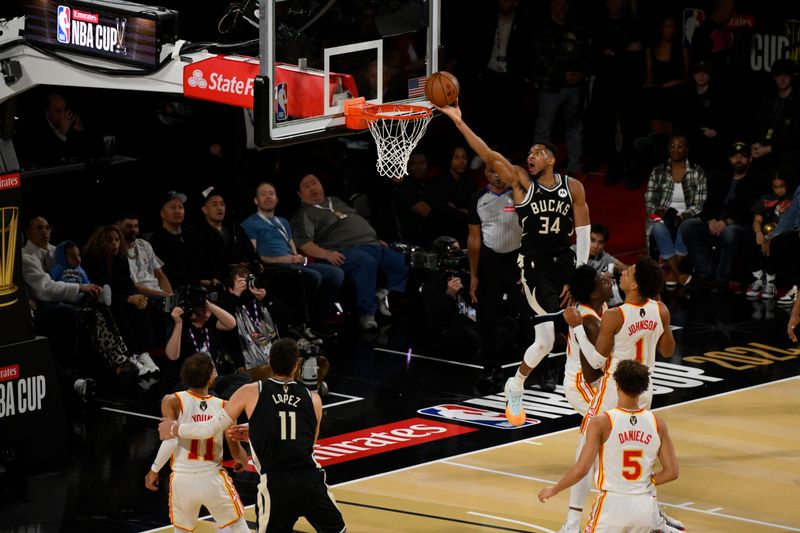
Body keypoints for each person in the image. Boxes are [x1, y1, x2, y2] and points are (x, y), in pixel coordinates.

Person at [435, 102, 591, 426]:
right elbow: (489, 154)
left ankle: (566, 381)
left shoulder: (572, 187)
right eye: (529, 152)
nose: (531, 156)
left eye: (538, 152)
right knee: (547, 338)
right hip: (534, 266)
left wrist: (580, 275)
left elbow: (585, 231)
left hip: (565, 260)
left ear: (551, 158)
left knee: (583, 323)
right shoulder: (520, 182)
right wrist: (460, 123)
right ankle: (516, 384)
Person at [157, 339, 347, 533]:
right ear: (296, 365)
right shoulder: (313, 398)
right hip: (310, 481)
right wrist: (257, 430)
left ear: (270, 361)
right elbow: (306, 442)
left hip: (276, 483)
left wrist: (175, 429)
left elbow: (208, 429)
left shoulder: (250, 391)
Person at [565, 257, 683, 533]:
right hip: (644, 389)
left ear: (636, 284)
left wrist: (577, 327)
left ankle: (571, 522)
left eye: (628, 273)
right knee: (641, 452)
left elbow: (595, 363)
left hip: (613, 391)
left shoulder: (614, 315)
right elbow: (667, 351)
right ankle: (653, 516)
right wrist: (660, 324)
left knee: (585, 452)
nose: (622, 274)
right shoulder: (661, 309)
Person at [538, 360, 680, 533]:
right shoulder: (658, 423)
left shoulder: (601, 422)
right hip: (645, 507)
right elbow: (672, 472)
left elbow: (582, 468)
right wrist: (642, 482)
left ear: (617, 384)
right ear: (644, 388)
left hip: (612, 505)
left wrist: (554, 489)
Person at [145, 353, 250, 533]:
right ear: (210, 379)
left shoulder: (172, 401)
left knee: (182, 531)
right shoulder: (225, 406)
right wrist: (241, 460)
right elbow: (235, 448)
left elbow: (170, 442)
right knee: (238, 526)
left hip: (182, 480)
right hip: (212, 478)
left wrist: (153, 470)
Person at [292, 173, 408, 330]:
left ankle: (379, 295)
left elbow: (354, 222)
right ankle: (366, 314)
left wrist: (373, 240)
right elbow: (304, 244)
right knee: (364, 262)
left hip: (370, 243)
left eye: (315, 183)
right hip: (344, 251)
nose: (313, 188)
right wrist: (327, 254)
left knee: (400, 259)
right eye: (306, 186)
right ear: (300, 194)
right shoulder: (304, 214)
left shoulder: (335, 200)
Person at [241, 182, 344, 335]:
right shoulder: (250, 223)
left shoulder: (283, 222)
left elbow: (292, 248)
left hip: (293, 264)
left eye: (271, 193)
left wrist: (297, 258)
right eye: (263, 194)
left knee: (335, 274)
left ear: (276, 199)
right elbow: (256, 256)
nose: (268, 197)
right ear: (256, 200)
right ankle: (302, 323)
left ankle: (317, 319)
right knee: (312, 276)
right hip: (274, 267)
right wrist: (289, 259)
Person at [554, 265, 610, 533]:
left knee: (595, 447)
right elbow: (594, 371)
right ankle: (573, 523)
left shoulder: (598, 305)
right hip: (584, 384)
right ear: (593, 294)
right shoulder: (589, 322)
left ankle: (573, 522)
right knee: (593, 447)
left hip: (593, 382)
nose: (607, 279)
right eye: (602, 280)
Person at [467, 163, 524, 387]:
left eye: (501, 171)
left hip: (518, 262)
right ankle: (491, 367)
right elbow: (474, 239)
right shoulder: (478, 198)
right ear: (486, 173)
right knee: (488, 320)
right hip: (490, 263)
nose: (498, 176)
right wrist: (473, 274)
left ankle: (544, 367)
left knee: (531, 319)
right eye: (492, 172)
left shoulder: (520, 193)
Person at [680, 141, 760, 292]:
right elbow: (706, 203)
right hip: (715, 223)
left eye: (743, 156)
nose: (739, 159)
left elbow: (750, 211)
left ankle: (721, 278)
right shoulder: (720, 178)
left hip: (742, 227)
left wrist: (726, 222)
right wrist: (710, 220)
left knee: (729, 232)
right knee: (688, 226)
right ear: (729, 159)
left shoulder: (755, 181)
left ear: (750, 159)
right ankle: (705, 273)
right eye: (735, 156)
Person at [533, 0, 590, 175]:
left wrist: (581, 73)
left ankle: (575, 166)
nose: (562, 7)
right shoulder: (544, 28)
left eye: (564, 3)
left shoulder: (574, 27)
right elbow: (541, 57)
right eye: (557, 3)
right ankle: (539, 167)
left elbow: (584, 52)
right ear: (550, 5)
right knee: (544, 129)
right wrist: (561, 75)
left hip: (574, 86)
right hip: (551, 86)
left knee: (575, 127)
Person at [645, 133, 706, 287]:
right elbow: (649, 200)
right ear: (668, 149)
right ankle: (678, 273)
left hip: (689, 215)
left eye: (680, 146)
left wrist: (685, 214)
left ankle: (669, 270)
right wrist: (658, 212)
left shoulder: (697, 171)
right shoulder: (658, 171)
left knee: (686, 226)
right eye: (672, 146)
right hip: (664, 214)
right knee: (657, 226)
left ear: (687, 149)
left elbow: (699, 203)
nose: (676, 150)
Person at [187, 187, 260, 289]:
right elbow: (201, 263)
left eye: (222, 204)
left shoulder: (235, 228)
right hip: (218, 283)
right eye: (214, 204)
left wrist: (253, 264)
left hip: (245, 278)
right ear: (204, 209)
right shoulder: (196, 233)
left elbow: (250, 252)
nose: (220, 208)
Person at [748, 173, 792, 299]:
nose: (779, 190)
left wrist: (770, 237)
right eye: (775, 187)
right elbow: (757, 220)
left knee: (774, 244)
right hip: (764, 232)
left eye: (782, 186)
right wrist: (758, 233)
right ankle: (758, 279)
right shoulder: (765, 199)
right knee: (751, 240)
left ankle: (771, 282)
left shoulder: (792, 199)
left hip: (782, 232)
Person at [116, 213, 174, 298]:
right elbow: (131, 286)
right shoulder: (117, 252)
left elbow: (160, 275)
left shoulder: (143, 244)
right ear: (118, 228)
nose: (133, 230)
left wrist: (171, 298)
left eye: (136, 226)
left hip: (159, 297)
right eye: (129, 226)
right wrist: (161, 295)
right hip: (140, 297)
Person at [147, 191, 191, 290]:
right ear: (162, 213)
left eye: (180, 207)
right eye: (173, 207)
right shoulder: (156, 240)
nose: (178, 211)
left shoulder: (190, 235)